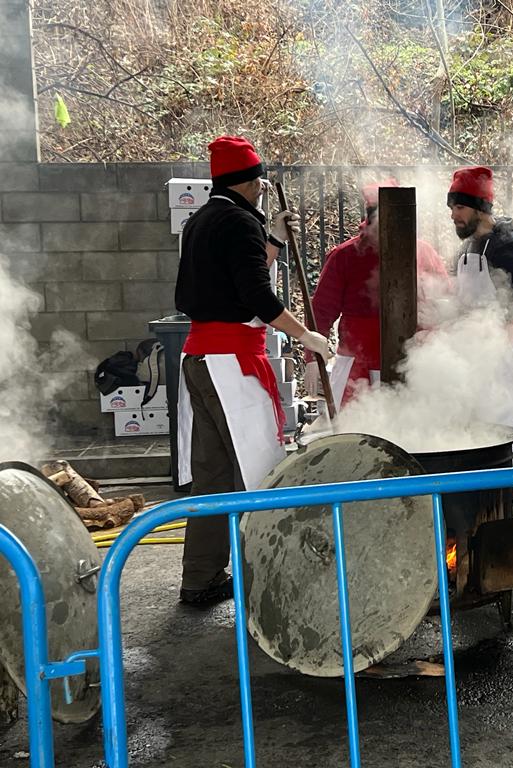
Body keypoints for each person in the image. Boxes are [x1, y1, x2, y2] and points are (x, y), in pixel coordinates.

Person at [174, 135, 333, 606]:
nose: (264, 187)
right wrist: (308, 337)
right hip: (229, 365)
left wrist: (275, 241)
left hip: (200, 359)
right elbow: (258, 299)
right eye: (260, 180)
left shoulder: (200, 220)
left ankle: (200, 579)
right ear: (249, 182)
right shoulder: (239, 222)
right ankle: (275, 579)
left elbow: (241, 281)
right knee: (261, 471)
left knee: (213, 476)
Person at [305, 180, 449, 408]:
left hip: (412, 362)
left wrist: (434, 340)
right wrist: (312, 356)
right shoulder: (344, 256)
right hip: (356, 363)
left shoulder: (424, 253)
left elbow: (442, 304)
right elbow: (321, 311)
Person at [447, 165, 513, 453]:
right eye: (452, 207)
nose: (453, 215)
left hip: (497, 362)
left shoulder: (510, 247)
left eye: (459, 207)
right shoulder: (466, 248)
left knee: (498, 437)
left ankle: (504, 495)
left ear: (480, 208)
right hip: (468, 359)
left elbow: (512, 310)